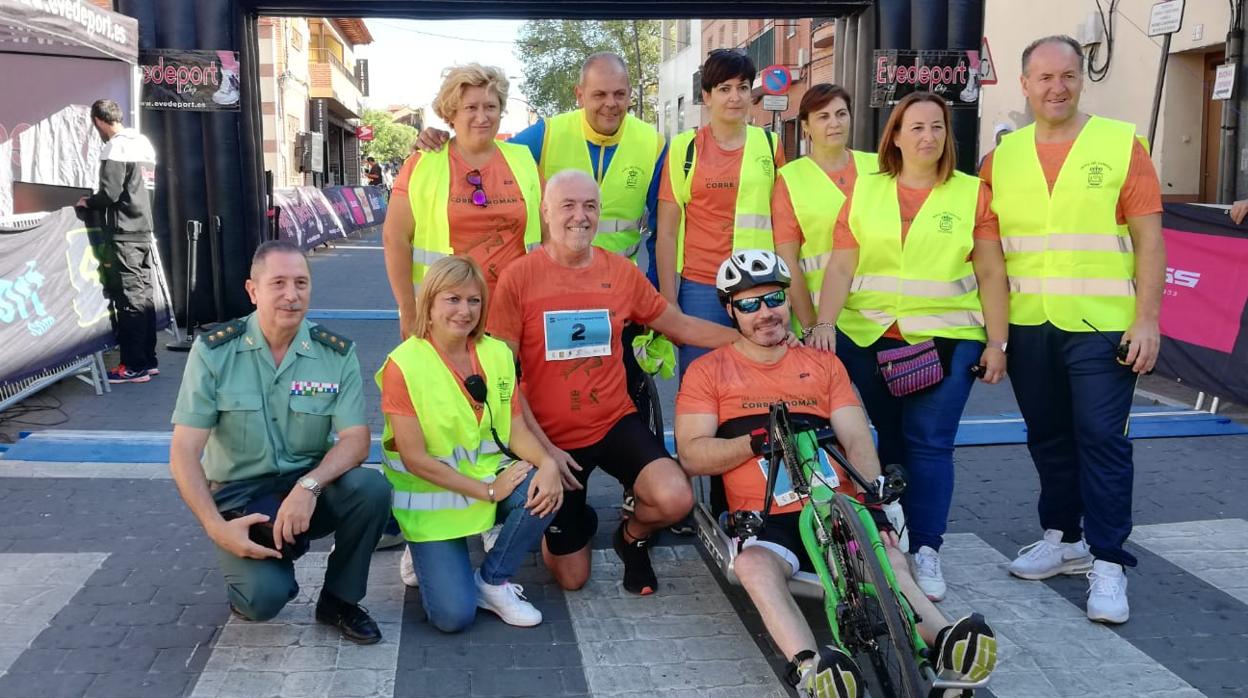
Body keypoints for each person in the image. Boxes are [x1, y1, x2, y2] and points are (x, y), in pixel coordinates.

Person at [675, 250, 997, 697]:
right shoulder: (708, 372)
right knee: (753, 565)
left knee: (887, 557)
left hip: (836, 506)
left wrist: (873, 506)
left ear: (788, 300)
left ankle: (943, 642)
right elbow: (692, 455)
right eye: (749, 305)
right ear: (731, 311)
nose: (764, 313)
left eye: (773, 299)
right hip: (768, 517)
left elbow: (857, 438)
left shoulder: (824, 364)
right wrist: (753, 443)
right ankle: (813, 671)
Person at [981, 35, 1165, 624]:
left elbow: (1150, 241)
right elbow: (989, 254)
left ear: (1082, 79)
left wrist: (1147, 320)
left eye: (1068, 76)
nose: (1057, 88)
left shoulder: (1119, 144)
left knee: (1102, 440)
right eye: (1044, 78)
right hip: (1032, 324)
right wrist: (997, 335)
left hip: (1103, 324)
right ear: (1024, 84)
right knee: (1049, 437)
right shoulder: (1000, 159)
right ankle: (1063, 538)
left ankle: (1108, 560)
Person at [488, 170, 740, 595]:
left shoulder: (620, 272)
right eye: (567, 206)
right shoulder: (519, 277)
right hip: (550, 437)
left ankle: (632, 536)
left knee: (676, 499)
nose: (580, 217)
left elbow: (675, 324)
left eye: (590, 206)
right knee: (572, 579)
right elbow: (502, 377)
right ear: (545, 212)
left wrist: (744, 339)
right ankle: (575, 518)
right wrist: (545, 452)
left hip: (613, 422)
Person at [809, 91, 1008, 602]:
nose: (928, 137)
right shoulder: (866, 191)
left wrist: (998, 342)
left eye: (937, 127)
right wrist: (824, 322)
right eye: (916, 127)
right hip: (869, 337)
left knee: (929, 442)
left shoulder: (971, 193)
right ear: (895, 136)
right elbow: (842, 264)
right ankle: (893, 535)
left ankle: (927, 547)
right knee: (888, 441)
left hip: (947, 340)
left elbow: (989, 271)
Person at [169, 241, 391, 644]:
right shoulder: (214, 352)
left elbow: (356, 441)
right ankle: (265, 574)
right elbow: (184, 451)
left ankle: (340, 600)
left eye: (301, 283)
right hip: (241, 498)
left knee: (371, 488)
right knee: (262, 601)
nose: (292, 295)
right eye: (279, 283)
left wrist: (309, 487)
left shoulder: (335, 354)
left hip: (307, 489)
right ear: (253, 290)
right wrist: (216, 528)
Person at [378, 255, 563, 632]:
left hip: (485, 485)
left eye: (474, 300)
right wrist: (489, 490)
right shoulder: (404, 364)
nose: (465, 311)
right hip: (433, 500)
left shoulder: (495, 355)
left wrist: (546, 464)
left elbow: (515, 431)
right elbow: (414, 459)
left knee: (547, 489)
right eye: (453, 299)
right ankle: (424, 552)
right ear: (429, 304)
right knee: (453, 617)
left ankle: (492, 582)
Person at [382, 63, 542, 340]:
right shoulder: (422, 164)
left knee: (508, 384)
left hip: (515, 315)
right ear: (451, 113)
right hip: (445, 319)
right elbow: (394, 239)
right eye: (471, 108)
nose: (482, 117)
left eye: (491, 107)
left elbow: (550, 236)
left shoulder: (524, 161)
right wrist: (409, 314)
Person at [657, 48, 785, 379]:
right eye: (724, 89)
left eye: (743, 87)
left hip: (759, 282)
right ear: (707, 96)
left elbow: (786, 226)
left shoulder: (770, 146)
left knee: (761, 377)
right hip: (701, 285)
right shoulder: (684, 149)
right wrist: (669, 302)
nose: (735, 97)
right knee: (703, 378)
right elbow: (667, 232)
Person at [772, 84, 876, 331]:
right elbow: (788, 262)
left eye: (841, 114)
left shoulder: (878, 167)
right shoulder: (790, 179)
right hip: (823, 319)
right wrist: (811, 326)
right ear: (806, 126)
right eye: (823, 116)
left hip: (880, 317)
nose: (835, 123)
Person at [77, 99, 159, 384]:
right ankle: (148, 361)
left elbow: (109, 194)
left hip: (124, 231)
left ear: (99, 121)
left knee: (130, 300)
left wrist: (88, 202)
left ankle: (134, 366)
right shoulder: (144, 143)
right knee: (145, 297)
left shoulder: (115, 147)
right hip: (144, 228)